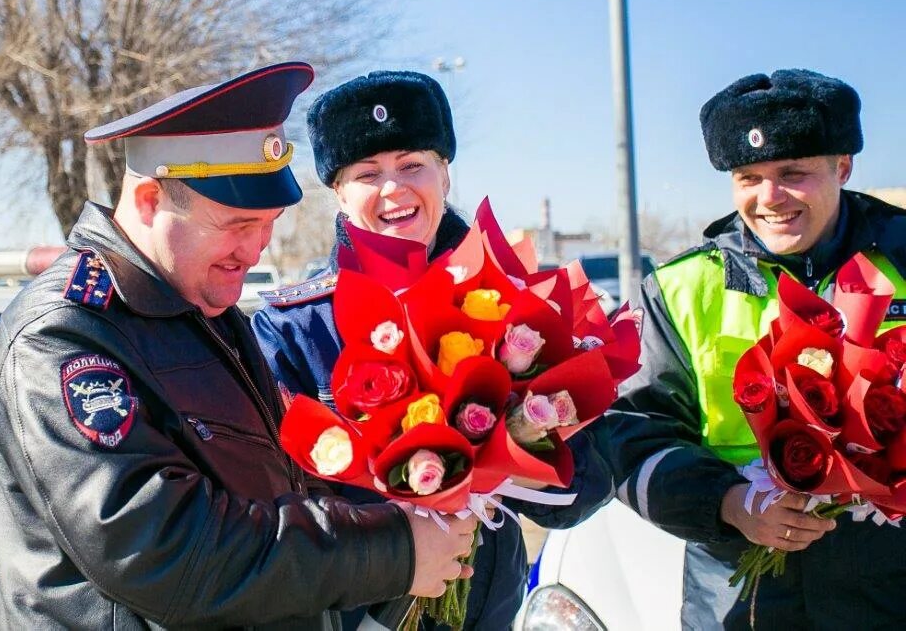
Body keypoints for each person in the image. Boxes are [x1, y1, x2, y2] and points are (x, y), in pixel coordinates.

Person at [0, 61, 478, 630]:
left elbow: (280, 492)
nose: (256, 249)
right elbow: (159, 553)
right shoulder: (63, 337)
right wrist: (394, 552)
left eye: (268, 224)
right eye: (238, 224)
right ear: (147, 201)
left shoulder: (205, 311)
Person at [253, 70, 614, 631]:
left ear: (445, 174)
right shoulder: (294, 329)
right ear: (339, 193)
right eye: (367, 173)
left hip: (487, 605)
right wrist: (401, 540)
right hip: (353, 610)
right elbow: (270, 503)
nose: (394, 189)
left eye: (413, 164)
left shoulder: (516, 312)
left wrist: (521, 452)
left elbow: (588, 484)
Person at [609, 69, 906, 628]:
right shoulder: (680, 289)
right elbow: (631, 433)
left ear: (842, 167)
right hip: (737, 599)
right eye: (748, 177)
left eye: (793, 173)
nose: (770, 198)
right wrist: (728, 504)